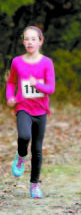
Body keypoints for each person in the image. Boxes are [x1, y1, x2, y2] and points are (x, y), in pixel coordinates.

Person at [6, 26, 55, 198]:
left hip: (41, 111)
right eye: (27, 39)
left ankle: (34, 185)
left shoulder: (46, 62)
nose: (29, 42)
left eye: (33, 39)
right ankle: (20, 155)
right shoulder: (17, 62)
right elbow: (11, 82)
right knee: (24, 136)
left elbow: (51, 88)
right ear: (23, 41)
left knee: (37, 149)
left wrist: (37, 85)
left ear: (40, 41)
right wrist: (10, 96)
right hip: (23, 107)